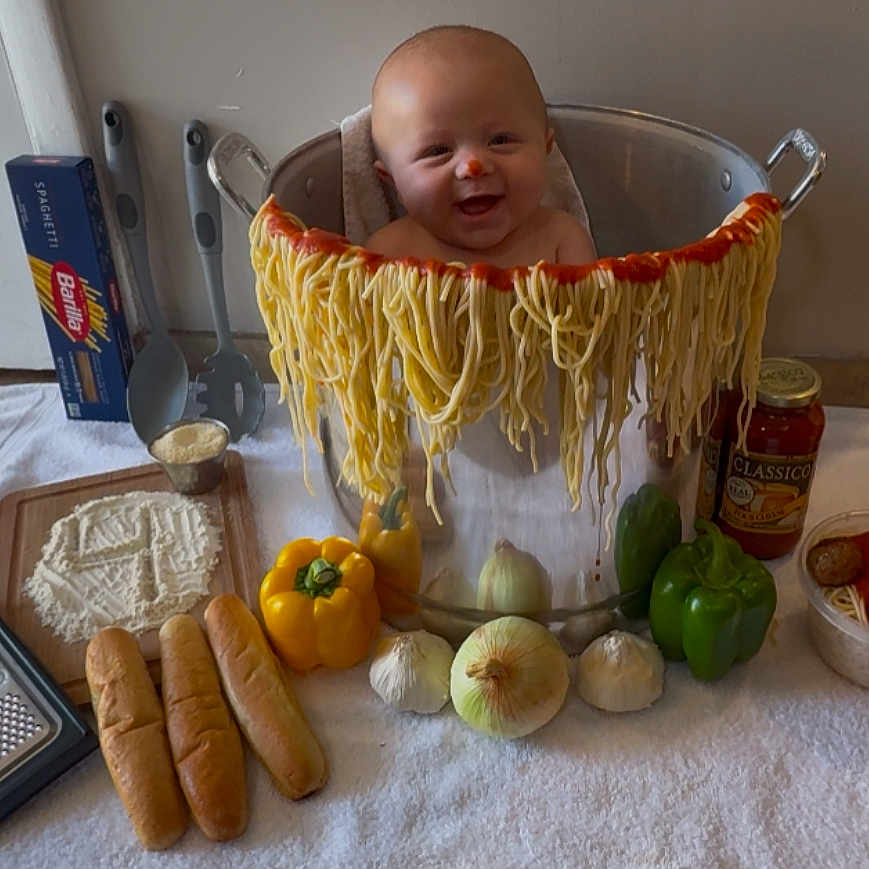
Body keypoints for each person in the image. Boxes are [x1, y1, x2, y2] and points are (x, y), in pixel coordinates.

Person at [367, 25, 596, 269]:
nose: (473, 166)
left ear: (545, 149)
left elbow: (595, 308)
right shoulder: (387, 255)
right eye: (438, 151)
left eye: (500, 140)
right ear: (393, 181)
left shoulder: (562, 241)